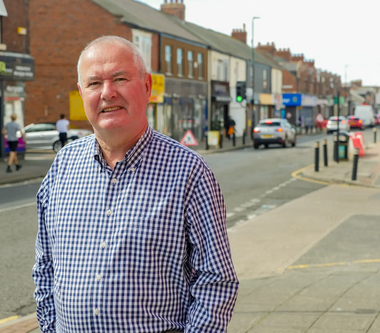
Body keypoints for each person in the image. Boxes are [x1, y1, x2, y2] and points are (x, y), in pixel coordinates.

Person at [33, 36, 238, 333]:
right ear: (81, 93)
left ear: (146, 87)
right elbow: (45, 266)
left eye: (120, 78)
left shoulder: (189, 172)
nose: (107, 93)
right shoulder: (63, 167)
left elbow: (216, 280)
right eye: (94, 84)